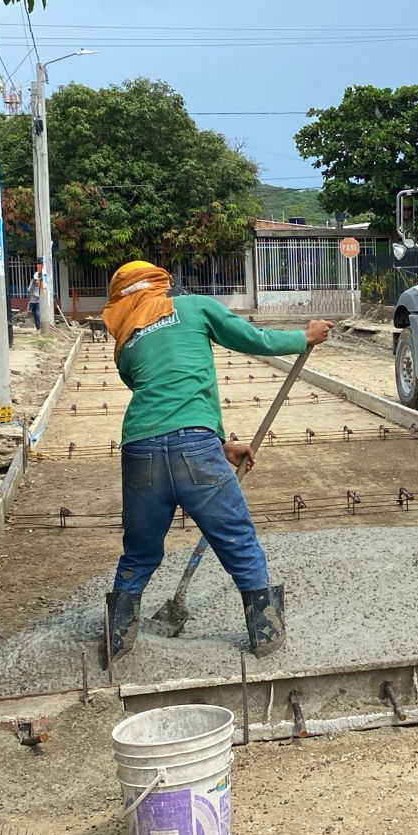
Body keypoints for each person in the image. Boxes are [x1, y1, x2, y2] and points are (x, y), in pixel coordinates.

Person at [101, 261, 333, 662]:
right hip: (194, 449)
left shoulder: (126, 343)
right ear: (160, 285)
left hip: (139, 451)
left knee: (138, 553)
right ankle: (266, 638)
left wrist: (222, 444)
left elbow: (161, 392)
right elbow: (251, 338)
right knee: (237, 540)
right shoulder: (193, 308)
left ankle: (116, 644)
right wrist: (304, 337)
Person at [27, 261, 44, 330]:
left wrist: (37, 295)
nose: (37, 281)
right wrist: (34, 294)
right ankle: (37, 326)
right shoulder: (33, 283)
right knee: (34, 314)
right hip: (32, 301)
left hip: (38, 301)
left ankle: (39, 326)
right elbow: (29, 290)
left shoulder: (41, 283)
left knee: (37, 313)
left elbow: (42, 292)